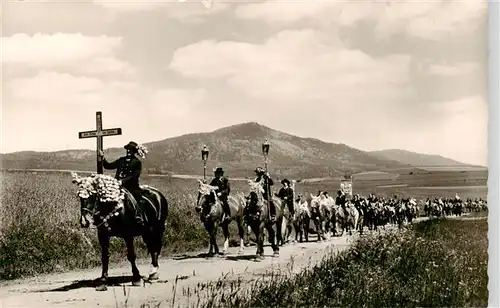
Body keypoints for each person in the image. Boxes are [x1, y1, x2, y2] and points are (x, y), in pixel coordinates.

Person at [99, 141, 145, 227]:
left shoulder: (137, 162)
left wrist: (122, 181)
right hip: (117, 186)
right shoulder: (121, 160)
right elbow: (108, 166)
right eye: (127, 149)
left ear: (134, 151)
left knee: (137, 198)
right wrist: (103, 158)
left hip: (131, 187)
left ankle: (139, 216)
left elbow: (134, 176)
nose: (128, 151)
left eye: (130, 150)